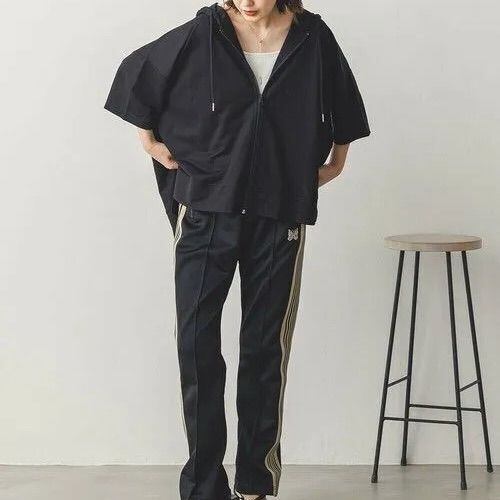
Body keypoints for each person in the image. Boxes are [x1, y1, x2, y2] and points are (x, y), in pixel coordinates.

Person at [104, 1, 370, 499]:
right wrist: (150, 142)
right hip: (207, 210)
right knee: (196, 344)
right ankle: (204, 486)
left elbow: (344, 102)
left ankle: (255, 483)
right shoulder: (204, 31)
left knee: (265, 347)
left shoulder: (312, 36)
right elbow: (139, 75)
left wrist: (337, 161)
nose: (246, 1)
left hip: (279, 211)